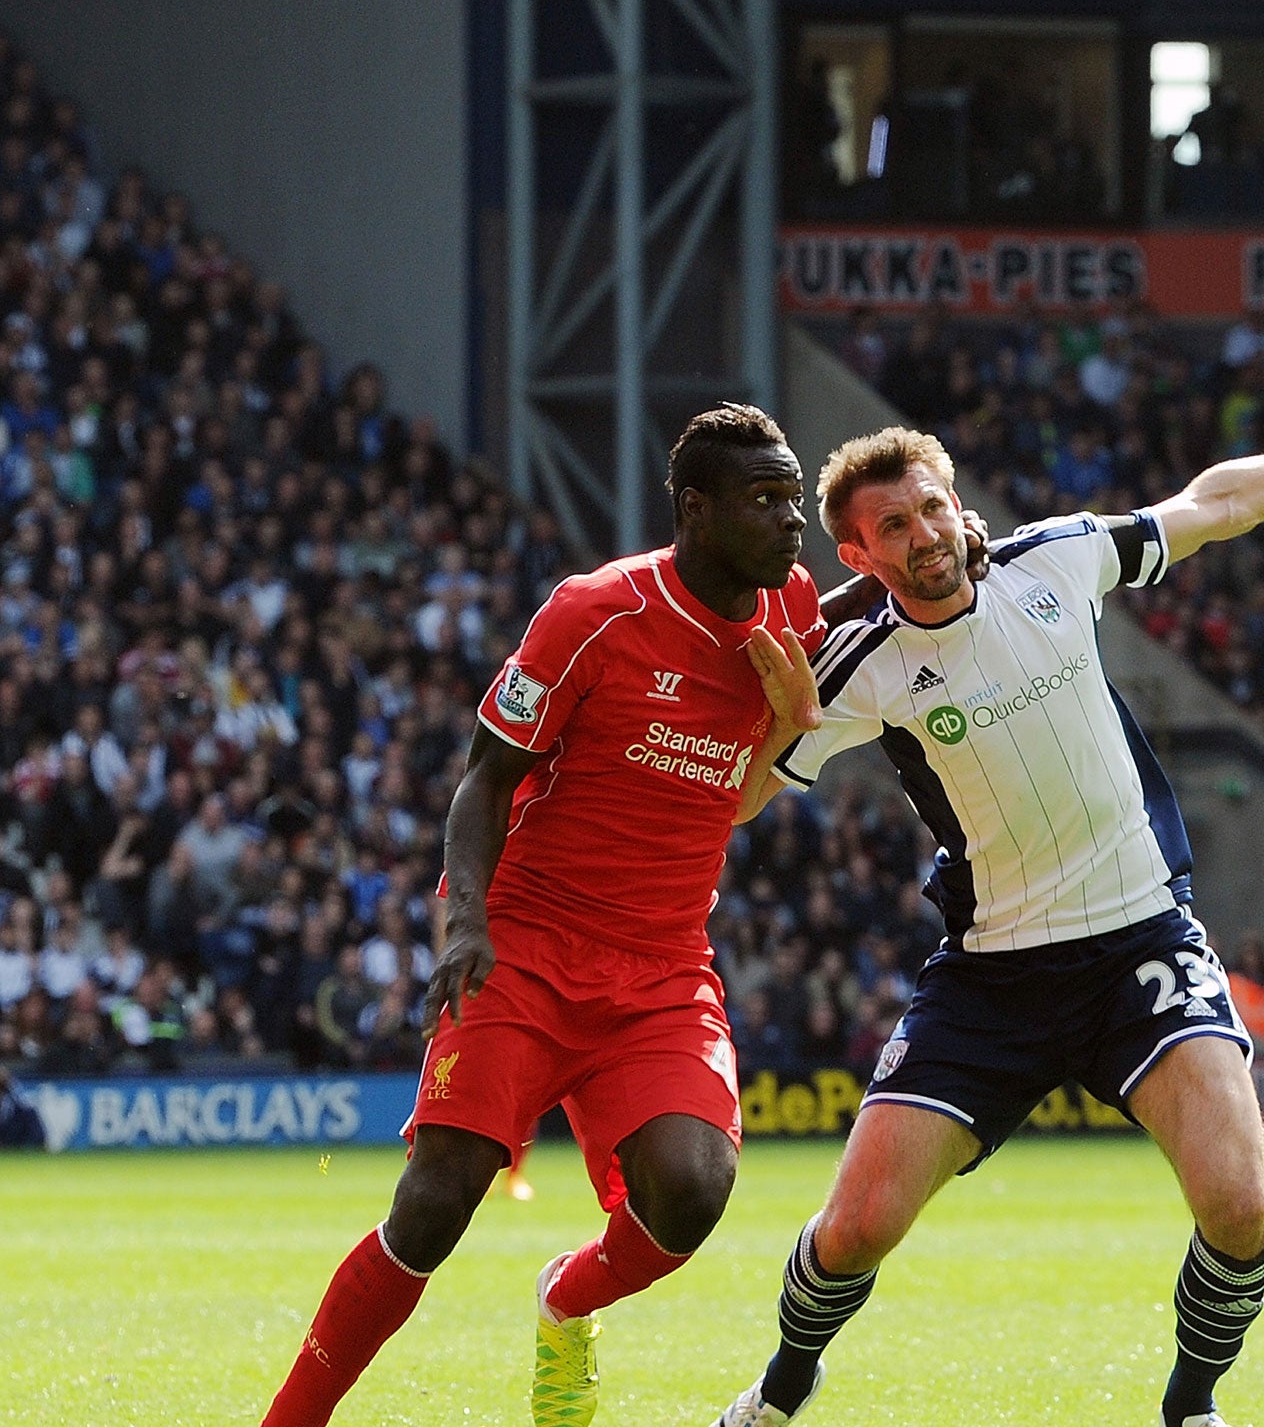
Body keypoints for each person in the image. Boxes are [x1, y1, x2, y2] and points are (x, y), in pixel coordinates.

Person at [711, 367, 1264, 1427]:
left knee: (1238, 1209)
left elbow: (1214, 504)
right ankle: (783, 1388)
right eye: (892, 526)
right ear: (856, 556)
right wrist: (783, 718)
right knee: (855, 1228)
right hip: (990, 977)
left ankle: (1189, 1405)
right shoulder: (852, 667)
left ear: (956, 505)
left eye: (930, 507)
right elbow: (734, 806)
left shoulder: (1054, 558)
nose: (923, 534)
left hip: (1139, 942)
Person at [258, 405, 835, 1427]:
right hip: (525, 945)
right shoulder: (595, 613)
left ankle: (566, 1298)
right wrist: (466, 924)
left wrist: (793, 729)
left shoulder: (792, 609)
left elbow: (740, 792)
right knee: (436, 1202)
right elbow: (486, 781)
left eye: (794, 496)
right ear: (694, 511)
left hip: (661, 965)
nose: (792, 520)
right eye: (765, 499)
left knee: (693, 1192)